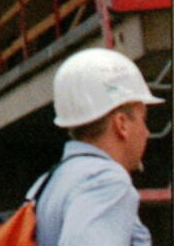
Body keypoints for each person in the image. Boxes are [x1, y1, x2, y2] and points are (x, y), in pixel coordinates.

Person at [29, 47, 163, 246]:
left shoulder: (46, 184)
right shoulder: (106, 181)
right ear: (121, 123)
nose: (147, 132)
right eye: (143, 119)